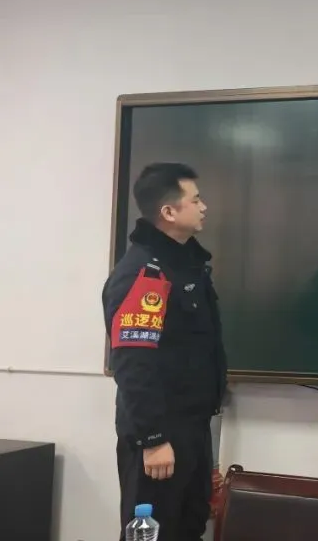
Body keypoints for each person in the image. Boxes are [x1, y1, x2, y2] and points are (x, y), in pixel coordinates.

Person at [103, 163, 226, 541]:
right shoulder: (147, 274)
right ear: (169, 212)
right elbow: (133, 364)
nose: (204, 207)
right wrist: (153, 438)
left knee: (189, 527)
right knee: (152, 533)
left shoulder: (187, 266)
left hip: (192, 429)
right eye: (196, 200)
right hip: (160, 436)